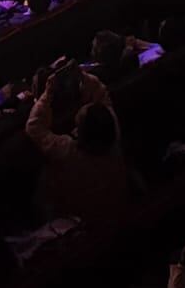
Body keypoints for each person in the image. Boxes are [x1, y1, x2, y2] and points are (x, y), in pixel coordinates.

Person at [25, 62, 128, 222]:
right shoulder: (113, 130)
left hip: (85, 221)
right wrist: (81, 76)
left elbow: (34, 126)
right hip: (120, 207)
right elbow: (101, 93)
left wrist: (48, 92)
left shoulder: (68, 152)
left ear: (80, 134)